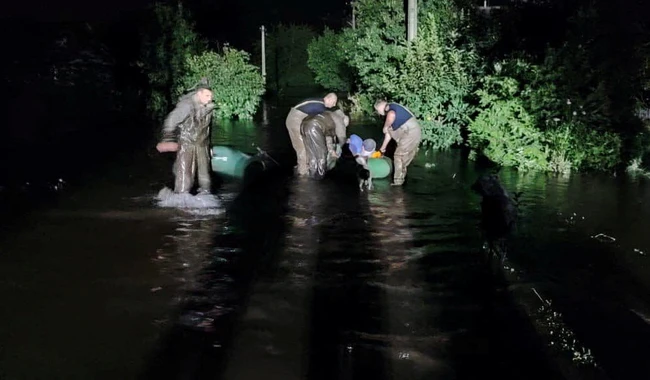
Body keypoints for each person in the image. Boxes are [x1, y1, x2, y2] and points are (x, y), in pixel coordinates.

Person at [156, 78, 216, 194]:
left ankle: (205, 195)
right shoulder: (186, 106)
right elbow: (171, 121)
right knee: (185, 177)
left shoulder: (209, 108)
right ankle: (181, 199)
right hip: (186, 144)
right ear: (199, 94)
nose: (210, 99)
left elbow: (209, 129)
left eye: (211, 96)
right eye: (207, 96)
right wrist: (168, 139)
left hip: (202, 145)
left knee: (205, 178)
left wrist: (210, 146)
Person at [286, 93, 338, 175]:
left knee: (306, 145)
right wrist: (331, 149)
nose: (334, 105)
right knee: (302, 147)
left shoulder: (319, 103)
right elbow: (326, 131)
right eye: (334, 102)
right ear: (328, 99)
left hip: (299, 118)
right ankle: (303, 173)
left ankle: (302, 166)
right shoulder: (321, 107)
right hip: (294, 120)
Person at [374, 100, 422, 186]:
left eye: (378, 111)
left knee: (398, 156)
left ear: (379, 107)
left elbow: (392, 114)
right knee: (403, 160)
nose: (379, 113)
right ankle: (402, 179)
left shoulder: (389, 108)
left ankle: (398, 183)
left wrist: (385, 126)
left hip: (410, 132)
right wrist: (382, 149)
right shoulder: (393, 108)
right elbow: (389, 134)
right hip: (413, 132)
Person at [300, 109, 349, 180]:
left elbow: (327, 137)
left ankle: (312, 176)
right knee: (322, 154)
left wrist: (332, 151)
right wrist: (341, 149)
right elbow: (342, 138)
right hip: (314, 126)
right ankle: (320, 177)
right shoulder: (339, 120)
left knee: (312, 154)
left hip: (304, 125)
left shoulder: (328, 116)